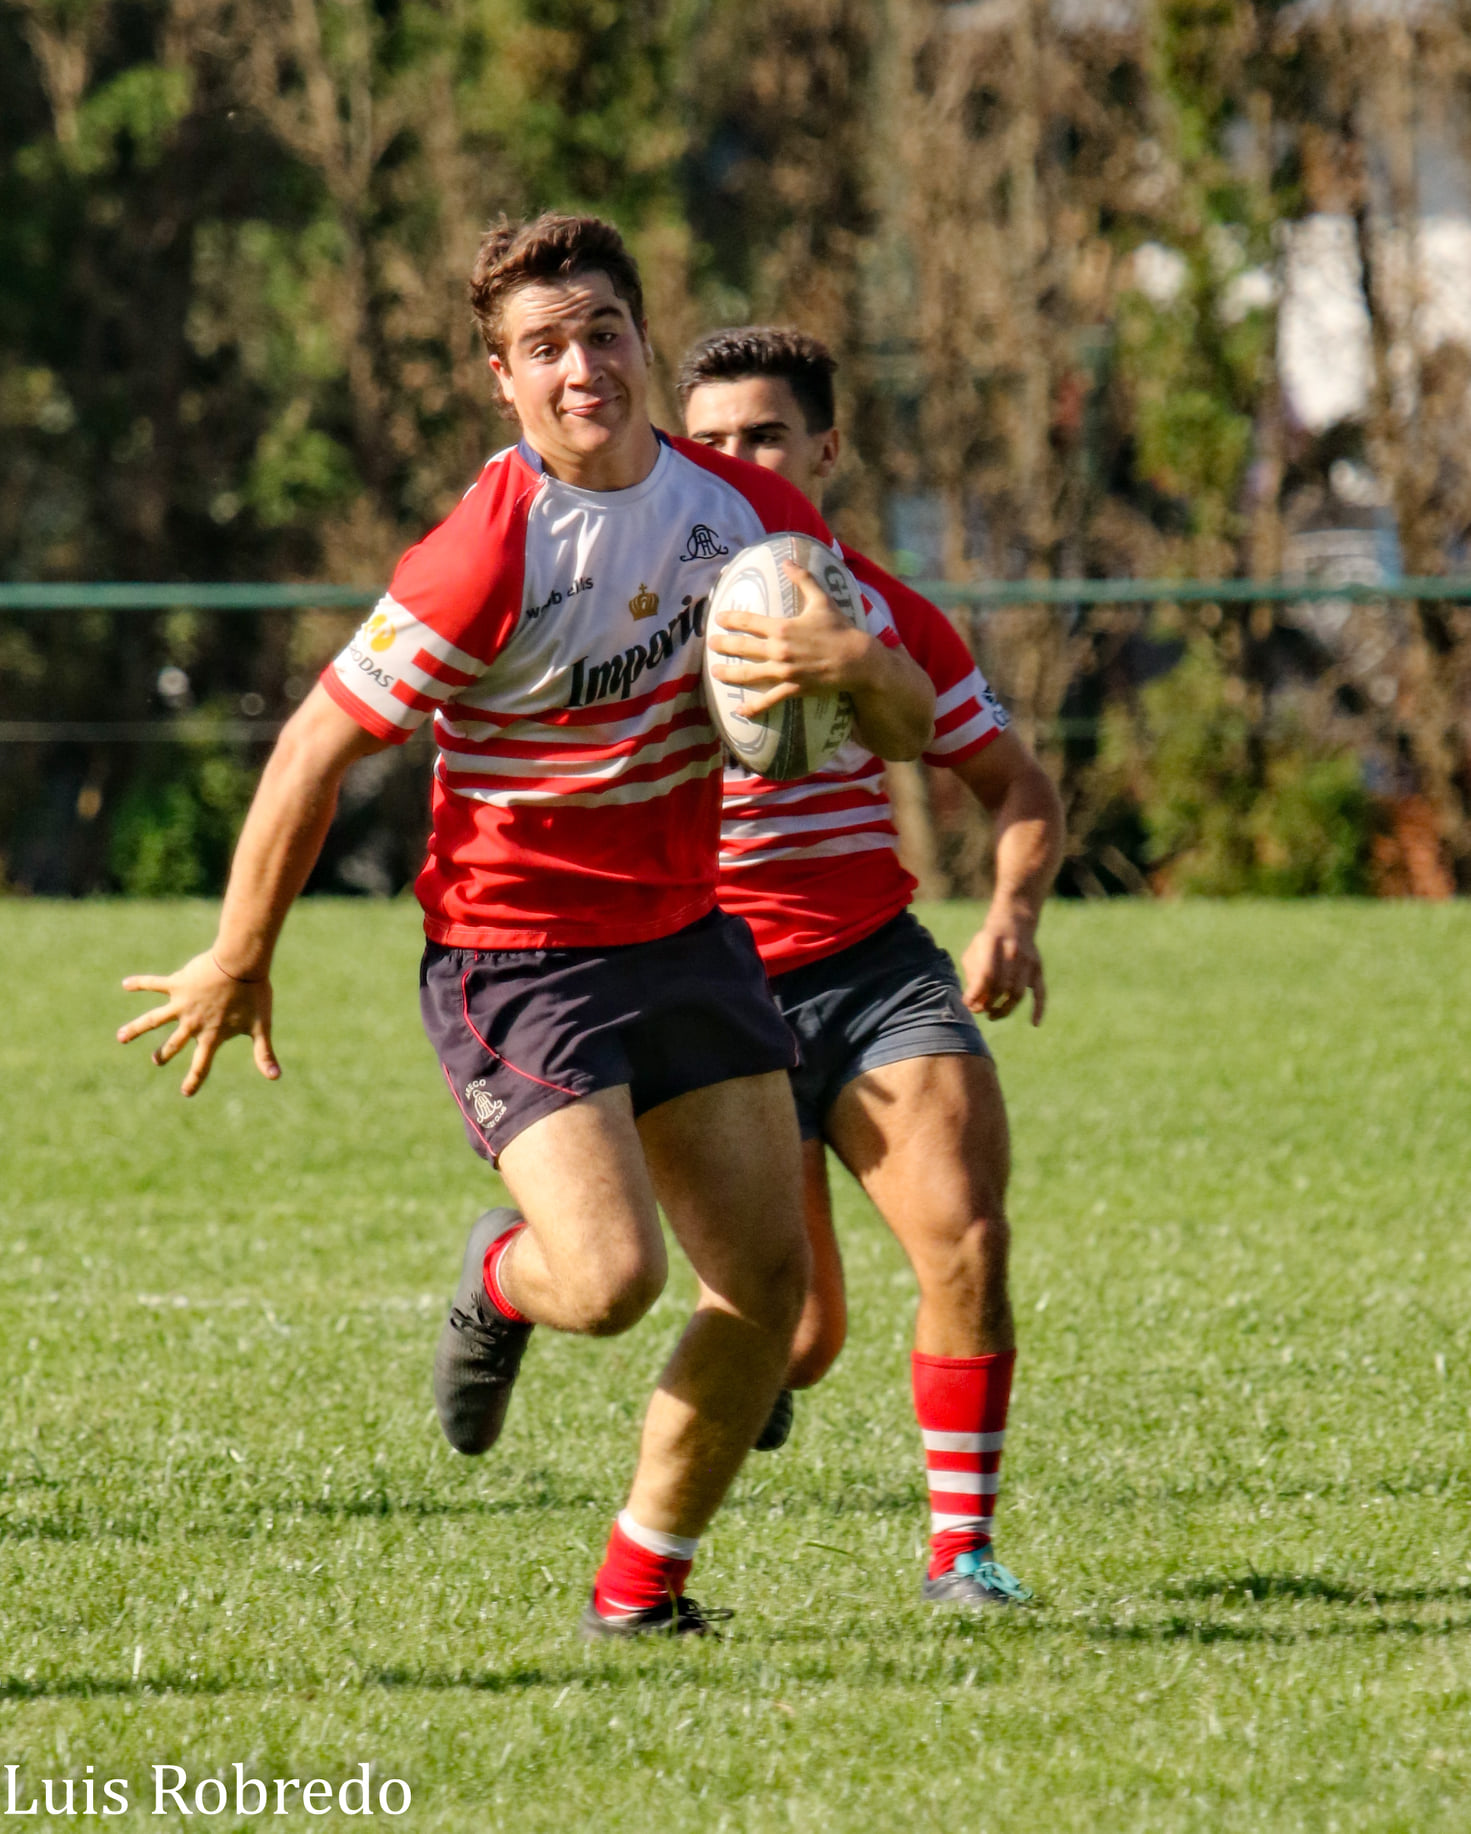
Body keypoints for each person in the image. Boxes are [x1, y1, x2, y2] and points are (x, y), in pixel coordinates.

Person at [116, 220, 935, 1639]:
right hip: (518, 957)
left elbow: (908, 730)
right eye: (544, 347)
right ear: (502, 378)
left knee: (770, 1289)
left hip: (687, 934)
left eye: (603, 331)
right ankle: (503, 1276)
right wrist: (241, 953)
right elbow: (313, 748)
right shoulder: (483, 549)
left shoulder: (747, 516)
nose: (582, 368)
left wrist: (852, 666)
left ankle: (641, 1593)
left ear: (643, 339)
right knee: (610, 1281)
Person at [679, 326, 1066, 1608]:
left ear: (826, 448)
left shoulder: (887, 612)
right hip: (713, 986)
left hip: (870, 968)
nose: (739, 460)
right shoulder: (643, 613)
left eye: (767, 435)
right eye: (711, 441)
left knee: (966, 1236)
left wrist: (1010, 914)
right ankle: (550, 1242)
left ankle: (963, 1554)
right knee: (799, 1336)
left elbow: (1015, 784)